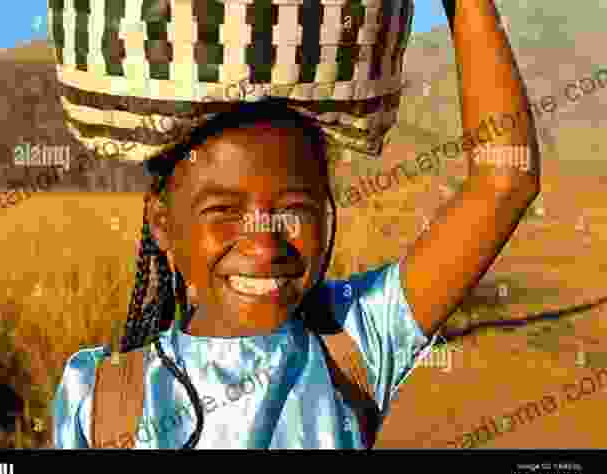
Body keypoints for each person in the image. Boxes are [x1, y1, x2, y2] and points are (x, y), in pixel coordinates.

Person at [52, 0, 541, 449]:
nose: (264, 245)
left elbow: (504, 181)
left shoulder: (354, 343)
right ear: (162, 225)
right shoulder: (105, 397)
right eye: (223, 211)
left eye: (294, 208)